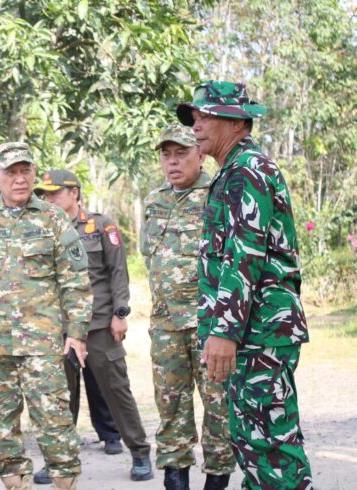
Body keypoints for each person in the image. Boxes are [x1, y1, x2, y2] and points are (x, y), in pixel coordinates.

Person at [177, 81, 312, 489]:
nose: (196, 126)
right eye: (194, 117)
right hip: (252, 330)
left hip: (259, 331)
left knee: (270, 448)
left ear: (236, 122)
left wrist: (224, 331)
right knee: (252, 443)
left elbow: (244, 256)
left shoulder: (248, 171)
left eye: (205, 116)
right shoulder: (233, 171)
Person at [0, 142, 92, 490]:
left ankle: (65, 483)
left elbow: (75, 280)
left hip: (44, 346)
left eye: (25, 171)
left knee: (56, 426)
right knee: (1, 429)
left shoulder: (53, 218)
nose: (19, 179)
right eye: (10, 172)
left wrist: (77, 333)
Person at [34, 169, 154, 484]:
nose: (49, 199)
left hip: (99, 324)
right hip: (60, 328)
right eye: (45, 195)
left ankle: (139, 452)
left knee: (116, 391)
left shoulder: (101, 226)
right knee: (59, 397)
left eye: (55, 193)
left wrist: (120, 313)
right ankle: (57, 460)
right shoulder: (42, 229)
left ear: (74, 192)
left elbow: (118, 271)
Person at [140, 125, 235, 490]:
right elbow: (150, 256)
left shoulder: (218, 194)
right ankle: (174, 476)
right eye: (166, 155)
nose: (173, 162)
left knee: (217, 405)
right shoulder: (154, 200)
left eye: (181, 153)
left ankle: (217, 477)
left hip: (207, 323)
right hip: (165, 324)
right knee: (170, 405)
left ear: (200, 155)